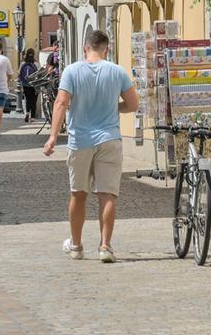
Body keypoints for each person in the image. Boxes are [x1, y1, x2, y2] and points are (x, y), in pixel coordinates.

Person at [44, 30, 139, 264]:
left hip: (81, 140)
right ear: (106, 49)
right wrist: (113, 108)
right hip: (109, 139)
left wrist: (53, 136)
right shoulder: (117, 72)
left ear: (85, 48)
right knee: (107, 195)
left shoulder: (72, 71)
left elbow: (61, 102)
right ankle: (105, 246)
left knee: (78, 194)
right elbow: (133, 104)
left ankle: (76, 246)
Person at [19, 49, 40, 123]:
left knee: (27, 100)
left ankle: (27, 113)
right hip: (34, 84)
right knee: (34, 100)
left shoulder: (23, 63)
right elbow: (39, 74)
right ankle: (33, 117)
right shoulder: (36, 63)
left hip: (25, 84)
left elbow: (19, 73)